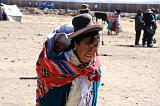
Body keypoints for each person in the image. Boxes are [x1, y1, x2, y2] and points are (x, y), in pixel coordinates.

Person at [36, 13, 103, 106]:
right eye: (86, 44)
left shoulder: (94, 68)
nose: (91, 50)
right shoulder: (58, 69)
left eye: (95, 45)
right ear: (76, 44)